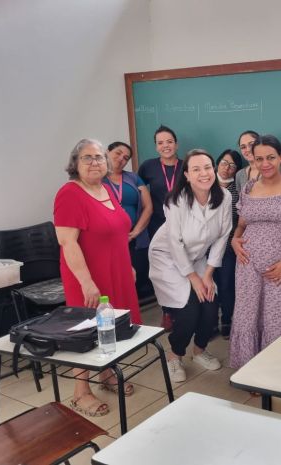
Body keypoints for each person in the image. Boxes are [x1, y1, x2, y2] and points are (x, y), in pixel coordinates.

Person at [54, 139, 141, 417]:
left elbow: (116, 231)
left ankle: (105, 374)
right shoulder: (70, 193)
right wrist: (86, 282)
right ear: (75, 163)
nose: (94, 162)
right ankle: (81, 391)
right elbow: (68, 242)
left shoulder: (105, 188)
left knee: (111, 325)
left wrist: (127, 265)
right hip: (88, 277)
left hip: (116, 270)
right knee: (86, 331)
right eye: (87, 157)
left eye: (99, 157)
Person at [230, 135, 281, 369]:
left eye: (270, 157)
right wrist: (234, 240)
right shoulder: (248, 188)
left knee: (280, 319)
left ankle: (278, 371)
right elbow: (242, 225)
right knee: (248, 317)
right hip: (247, 268)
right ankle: (250, 369)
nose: (265, 164)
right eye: (259, 159)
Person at [148, 149, 232, 382]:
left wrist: (208, 274)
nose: (203, 173)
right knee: (189, 309)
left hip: (197, 257)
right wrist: (194, 278)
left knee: (210, 303)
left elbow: (223, 236)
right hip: (168, 257)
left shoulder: (224, 196)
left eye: (207, 167)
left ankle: (199, 351)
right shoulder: (175, 201)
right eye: (196, 169)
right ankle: (175, 356)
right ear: (186, 175)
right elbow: (175, 243)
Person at [138, 125, 184, 330]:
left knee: (182, 267)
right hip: (157, 226)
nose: (166, 146)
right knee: (162, 272)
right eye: (160, 143)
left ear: (176, 144)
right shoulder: (148, 167)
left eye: (169, 142)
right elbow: (138, 192)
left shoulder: (187, 165)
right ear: (156, 147)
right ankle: (167, 312)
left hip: (182, 225)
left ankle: (184, 309)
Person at [104, 141, 153, 297]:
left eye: (126, 158)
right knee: (116, 281)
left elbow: (148, 207)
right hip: (108, 238)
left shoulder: (133, 178)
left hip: (135, 237)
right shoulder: (97, 179)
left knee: (138, 279)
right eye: (118, 153)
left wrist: (135, 232)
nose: (121, 159)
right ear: (107, 152)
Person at [213, 148, 243, 338]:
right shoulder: (207, 182)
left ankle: (226, 319)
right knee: (208, 283)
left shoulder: (237, 188)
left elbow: (240, 218)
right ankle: (209, 321)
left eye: (232, 165)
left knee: (226, 284)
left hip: (228, 244)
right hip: (205, 245)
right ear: (217, 163)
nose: (227, 168)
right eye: (224, 163)